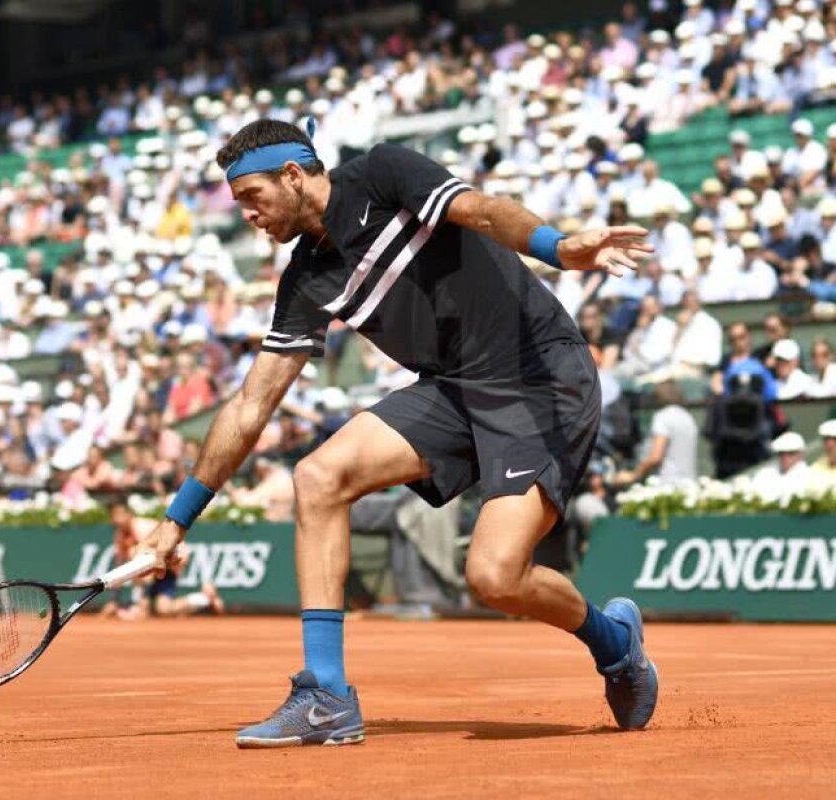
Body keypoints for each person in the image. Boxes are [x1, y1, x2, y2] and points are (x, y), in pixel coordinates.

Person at [135, 120, 658, 747]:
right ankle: (325, 695)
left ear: (294, 175)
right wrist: (177, 520)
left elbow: (485, 212)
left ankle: (613, 641)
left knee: (494, 577)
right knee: (318, 476)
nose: (246, 214)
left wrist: (556, 246)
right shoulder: (305, 279)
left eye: (251, 196)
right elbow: (251, 405)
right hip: (451, 389)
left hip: (537, 374)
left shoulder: (382, 175)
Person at [614, 381, 698, 486]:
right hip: (689, 482)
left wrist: (634, 475)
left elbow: (656, 456)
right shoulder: (688, 417)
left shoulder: (662, 417)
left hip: (668, 484)